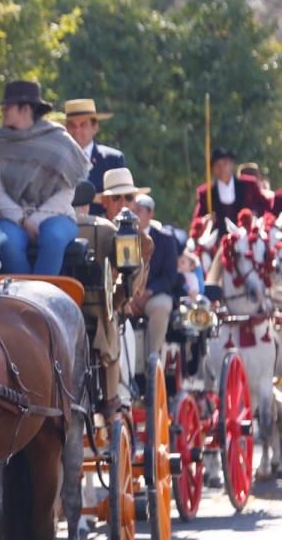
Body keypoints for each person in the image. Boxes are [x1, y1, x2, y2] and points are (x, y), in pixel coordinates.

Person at [0, 80, 88, 275]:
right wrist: (23, 220)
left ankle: (43, 299)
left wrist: (37, 219)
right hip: (10, 216)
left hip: (56, 215)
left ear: (26, 109)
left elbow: (67, 190)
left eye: (8, 106)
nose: (3, 110)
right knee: (8, 244)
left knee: (53, 238)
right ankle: (25, 300)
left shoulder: (58, 140)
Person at [128, 193, 178, 360]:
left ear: (151, 214)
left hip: (153, 294)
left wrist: (148, 292)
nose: (135, 215)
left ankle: (152, 359)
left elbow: (170, 276)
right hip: (127, 295)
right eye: (133, 211)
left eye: (139, 211)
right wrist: (130, 297)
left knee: (162, 305)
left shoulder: (165, 239)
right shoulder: (123, 236)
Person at [189, 146, 268, 239]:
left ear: (231, 164)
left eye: (225, 163)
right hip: (218, 241)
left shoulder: (249, 185)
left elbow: (264, 207)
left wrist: (255, 214)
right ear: (212, 169)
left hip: (247, 239)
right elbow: (197, 221)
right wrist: (205, 221)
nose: (222, 168)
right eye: (217, 165)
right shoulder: (206, 193)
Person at [63, 98, 125, 218]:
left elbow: (120, 199)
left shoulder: (112, 159)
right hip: (64, 224)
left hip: (104, 227)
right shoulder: (57, 159)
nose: (77, 130)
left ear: (95, 127)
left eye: (83, 125)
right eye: (72, 125)